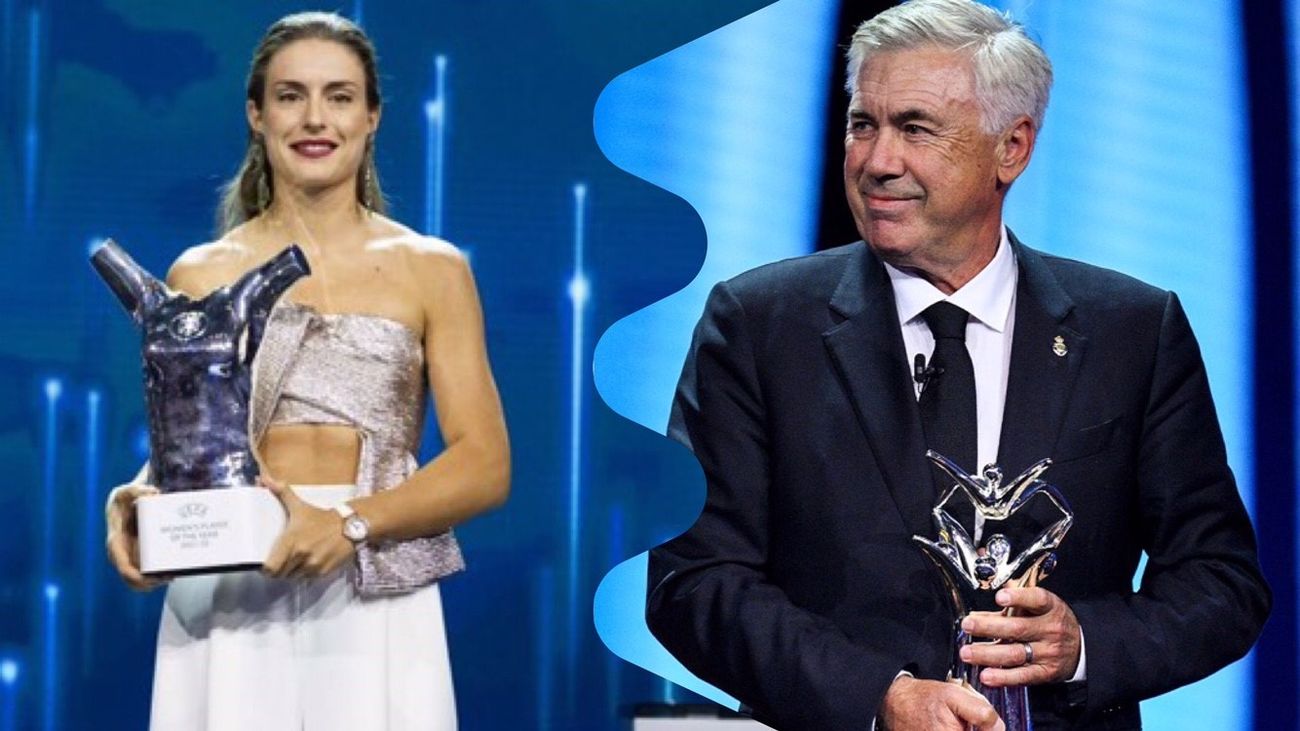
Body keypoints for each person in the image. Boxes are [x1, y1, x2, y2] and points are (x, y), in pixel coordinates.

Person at [645, 1, 1270, 729]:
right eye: (863, 125)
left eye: (915, 128)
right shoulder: (758, 326)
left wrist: (1085, 646)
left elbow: (1221, 582)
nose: (878, 162)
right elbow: (693, 578)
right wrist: (877, 697)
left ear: (1012, 148)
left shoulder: (1132, 330)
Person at [103, 12, 510, 730]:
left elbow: (483, 463)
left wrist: (349, 524)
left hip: (374, 585)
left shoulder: (432, 268)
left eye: (339, 96)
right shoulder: (199, 272)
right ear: (256, 115)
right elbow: (190, 441)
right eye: (290, 96)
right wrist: (137, 499)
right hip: (228, 584)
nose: (315, 118)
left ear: (372, 116)